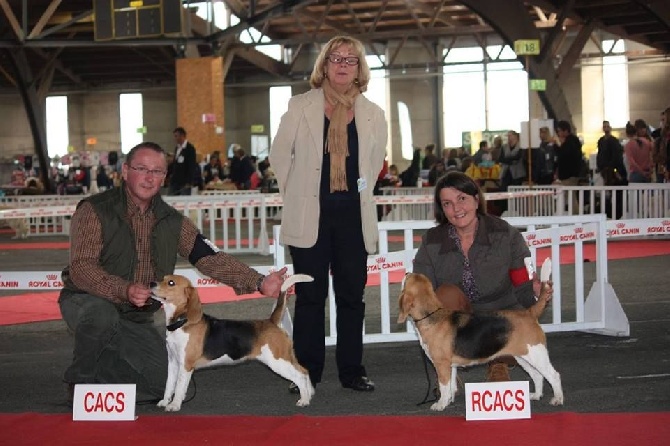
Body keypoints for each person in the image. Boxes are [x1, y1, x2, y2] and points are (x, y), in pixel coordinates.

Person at [58, 142, 287, 402]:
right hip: (87, 301)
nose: (149, 177)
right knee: (101, 316)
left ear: (164, 177)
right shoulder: (95, 210)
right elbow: (81, 268)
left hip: (134, 317)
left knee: (168, 387)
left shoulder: (173, 221)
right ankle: (81, 383)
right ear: (124, 171)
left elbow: (209, 257)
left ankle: (110, 364)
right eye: (141, 169)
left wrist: (258, 281)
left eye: (157, 171)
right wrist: (124, 289)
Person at [269, 35, 387, 393]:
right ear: (324, 64)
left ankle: (353, 371)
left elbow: (375, 162)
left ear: (359, 69)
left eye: (350, 60)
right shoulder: (300, 105)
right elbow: (279, 156)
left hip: (353, 217)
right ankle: (307, 372)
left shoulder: (373, 114)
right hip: (310, 218)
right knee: (309, 298)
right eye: (335, 58)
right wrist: (299, 195)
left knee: (352, 297)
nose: (342, 64)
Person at [413, 171, 548, 382]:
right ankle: (446, 368)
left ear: (476, 200)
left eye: (462, 199)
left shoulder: (506, 234)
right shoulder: (431, 241)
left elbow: (523, 281)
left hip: (500, 315)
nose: (456, 209)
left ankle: (499, 364)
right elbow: (422, 289)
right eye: (447, 203)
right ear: (442, 209)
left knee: (511, 319)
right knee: (445, 294)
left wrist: (535, 292)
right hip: (458, 318)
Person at [169, 127, 197, 195]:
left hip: (184, 183)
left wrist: (189, 182)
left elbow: (192, 166)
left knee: (183, 202)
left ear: (182, 136)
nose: (175, 138)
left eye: (176, 136)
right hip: (175, 181)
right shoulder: (177, 148)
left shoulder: (190, 149)